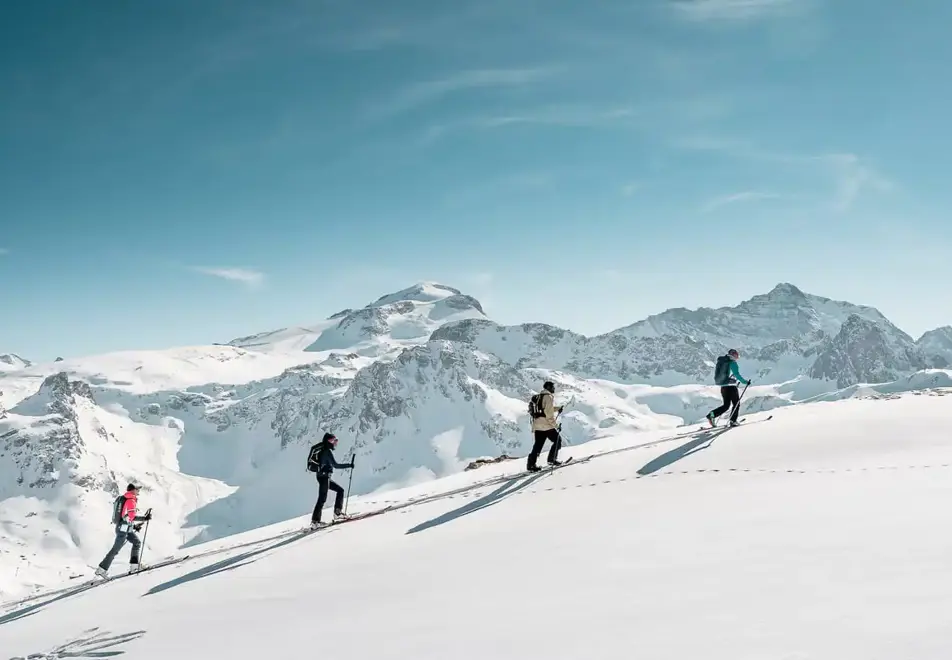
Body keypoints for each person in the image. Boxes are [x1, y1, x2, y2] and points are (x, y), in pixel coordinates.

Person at [95, 483, 152, 578]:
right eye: (137, 489)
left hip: (124, 528)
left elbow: (126, 517)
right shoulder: (130, 500)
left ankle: (134, 566)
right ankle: (101, 569)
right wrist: (144, 518)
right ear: (133, 490)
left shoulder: (126, 498)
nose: (138, 491)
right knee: (115, 549)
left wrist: (134, 527)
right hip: (123, 529)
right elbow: (132, 517)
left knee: (136, 542)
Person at [307, 432, 355, 529]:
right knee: (322, 499)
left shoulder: (323, 450)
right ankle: (316, 522)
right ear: (328, 441)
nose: (334, 443)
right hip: (324, 477)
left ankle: (335, 514)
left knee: (339, 491)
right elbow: (336, 465)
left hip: (322, 476)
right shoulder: (326, 452)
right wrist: (349, 465)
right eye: (333, 440)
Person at [706, 349, 751, 427]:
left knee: (726, 405)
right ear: (733, 355)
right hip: (731, 387)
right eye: (736, 355)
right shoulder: (732, 363)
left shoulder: (722, 361)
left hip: (723, 387)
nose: (737, 357)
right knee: (736, 404)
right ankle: (733, 421)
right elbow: (736, 374)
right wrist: (745, 382)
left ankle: (711, 415)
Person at [527, 381, 564, 471]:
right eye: (552, 387)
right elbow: (549, 415)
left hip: (537, 424)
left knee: (538, 445)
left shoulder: (539, 396)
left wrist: (557, 408)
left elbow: (545, 409)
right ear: (548, 387)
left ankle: (531, 464)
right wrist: (556, 425)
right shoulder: (548, 397)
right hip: (546, 425)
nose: (554, 388)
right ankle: (552, 459)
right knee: (557, 440)